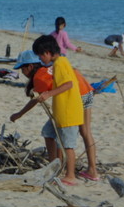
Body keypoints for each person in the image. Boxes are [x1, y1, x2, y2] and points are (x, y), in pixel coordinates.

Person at [9, 50, 99, 181]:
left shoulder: (40, 77)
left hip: (76, 96)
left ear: (30, 66)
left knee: (62, 134)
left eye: (22, 69)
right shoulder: (51, 67)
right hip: (86, 89)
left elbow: (35, 99)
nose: (22, 73)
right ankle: (92, 170)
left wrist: (19, 114)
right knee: (85, 132)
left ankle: (59, 168)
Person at [30, 35, 84, 187]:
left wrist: (48, 94)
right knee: (48, 132)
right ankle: (55, 165)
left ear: (47, 52)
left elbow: (68, 84)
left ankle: (71, 175)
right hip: (59, 112)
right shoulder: (61, 62)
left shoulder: (60, 64)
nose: (41, 59)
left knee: (68, 145)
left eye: (41, 56)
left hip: (68, 112)